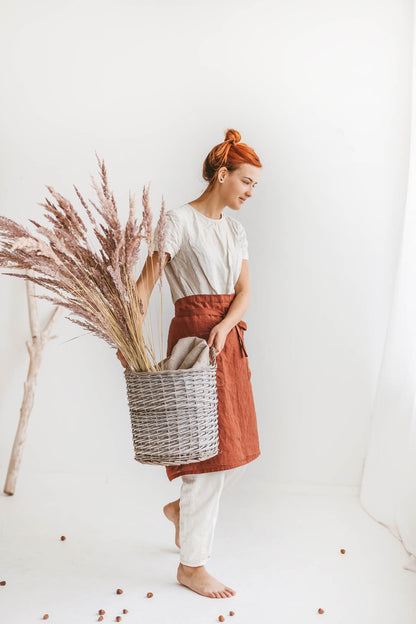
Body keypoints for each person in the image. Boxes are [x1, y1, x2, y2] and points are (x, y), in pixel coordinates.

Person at [117, 128, 262, 599]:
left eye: (254, 185)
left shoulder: (235, 229)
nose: (249, 191)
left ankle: (181, 512)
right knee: (205, 460)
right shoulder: (177, 222)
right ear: (222, 174)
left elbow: (243, 294)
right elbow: (146, 285)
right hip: (193, 343)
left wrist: (227, 326)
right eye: (246, 181)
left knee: (235, 452)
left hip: (228, 340)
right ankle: (193, 565)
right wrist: (128, 335)